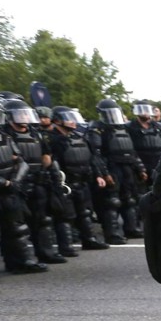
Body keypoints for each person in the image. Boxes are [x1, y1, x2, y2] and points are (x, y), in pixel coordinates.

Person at [0, 95, 48, 283]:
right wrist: (2, 183)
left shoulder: (4, 135)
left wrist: (15, 181)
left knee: (18, 228)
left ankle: (22, 261)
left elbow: (21, 161)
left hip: (10, 189)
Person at [2, 98, 67, 264]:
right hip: (16, 184)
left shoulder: (35, 133)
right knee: (16, 225)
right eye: (20, 114)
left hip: (38, 182)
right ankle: (17, 261)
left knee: (42, 220)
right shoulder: (4, 134)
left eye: (25, 114)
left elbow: (47, 156)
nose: (23, 117)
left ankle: (45, 253)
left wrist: (49, 175)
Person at [48, 106, 111, 251]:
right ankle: (66, 246)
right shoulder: (53, 140)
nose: (73, 122)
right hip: (66, 183)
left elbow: (92, 159)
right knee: (65, 216)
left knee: (85, 213)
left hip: (82, 181)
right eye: (68, 118)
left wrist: (98, 175)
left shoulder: (79, 137)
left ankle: (89, 240)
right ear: (58, 120)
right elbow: (51, 163)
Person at [86, 99, 147, 242]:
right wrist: (104, 173)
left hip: (127, 167)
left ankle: (132, 228)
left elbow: (132, 151)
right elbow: (96, 154)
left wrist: (140, 168)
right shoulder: (97, 129)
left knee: (130, 199)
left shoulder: (123, 128)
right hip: (112, 166)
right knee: (112, 201)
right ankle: (112, 233)